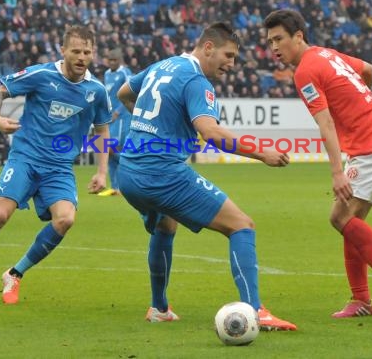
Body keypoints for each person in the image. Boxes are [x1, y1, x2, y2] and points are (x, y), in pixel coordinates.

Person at [117, 22, 297, 331]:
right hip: (161, 173)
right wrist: (263, 154)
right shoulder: (197, 81)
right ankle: (256, 311)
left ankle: (159, 308)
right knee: (242, 225)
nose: (231, 64)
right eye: (228, 55)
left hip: (128, 173)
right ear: (208, 48)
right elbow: (211, 133)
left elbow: (123, 93)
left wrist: (153, 126)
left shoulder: (162, 65)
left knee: (165, 224)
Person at [0, 26, 112, 304]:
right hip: (26, 157)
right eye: (76, 51)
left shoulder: (96, 91)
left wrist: (102, 172)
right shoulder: (41, 75)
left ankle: (14, 273)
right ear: (63, 50)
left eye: (87, 52)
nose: (82, 57)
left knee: (66, 219)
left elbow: (103, 131)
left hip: (59, 167)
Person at [264, 9, 372, 318]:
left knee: (339, 218)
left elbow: (326, 123)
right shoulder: (327, 54)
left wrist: (336, 172)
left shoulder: (305, 70)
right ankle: (360, 301)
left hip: (370, 146)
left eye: (279, 39)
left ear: (298, 36)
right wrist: (358, 100)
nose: (274, 48)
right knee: (351, 221)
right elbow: (368, 70)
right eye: (269, 42)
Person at [98, 48, 132, 196]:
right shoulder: (106, 74)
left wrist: (118, 111)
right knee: (109, 150)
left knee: (112, 148)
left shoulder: (125, 73)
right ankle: (116, 187)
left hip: (123, 118)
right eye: (109, 60)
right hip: (110, 117)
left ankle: (132, 170)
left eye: (114, 60)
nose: (111, 62)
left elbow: (130, 94)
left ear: (119, 60)